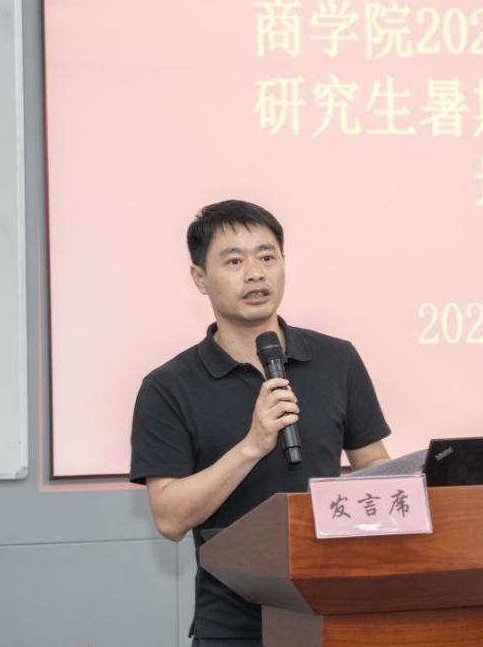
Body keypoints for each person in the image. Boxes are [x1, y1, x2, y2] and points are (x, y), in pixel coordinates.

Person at [130, 200, 391, 646]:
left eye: (267, 257)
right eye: (235, 261)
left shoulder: (336, 359)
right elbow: (170, 518)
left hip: (335, 610)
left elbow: (374, 466)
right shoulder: (168, 386)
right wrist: (252, 445)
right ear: (199, 278)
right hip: (234, 625)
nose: (255, 273)